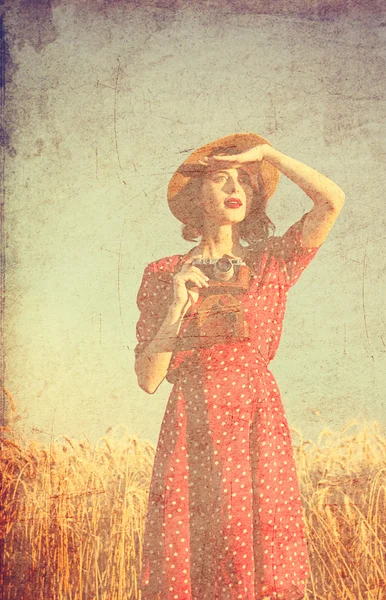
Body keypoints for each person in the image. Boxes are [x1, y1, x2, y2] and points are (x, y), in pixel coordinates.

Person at [134, 133, 345, 600]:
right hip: (192, 419)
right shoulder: (161, 272)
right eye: (221, 179)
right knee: (189, 552)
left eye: (246, 182)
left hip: (254, 415)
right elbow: (149, 379)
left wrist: (269, 155)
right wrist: (176, 306)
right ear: (196, 195)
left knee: (258, 549)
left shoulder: (271, 260)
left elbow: (331, 202)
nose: (236, 188)